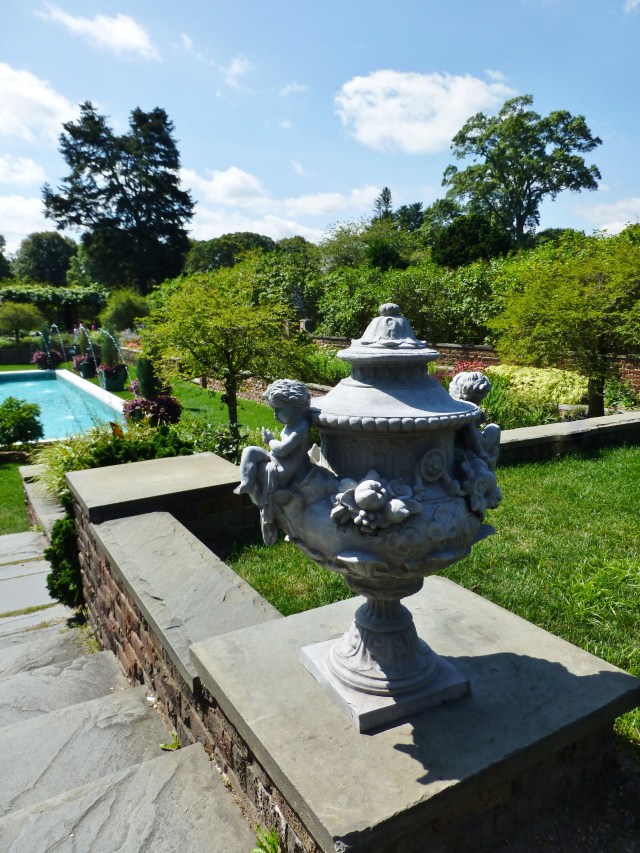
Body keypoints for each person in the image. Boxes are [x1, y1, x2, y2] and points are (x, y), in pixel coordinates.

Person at [235, 379, 311, 543]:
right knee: (250, 451)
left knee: (261, 471)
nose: (275, 414)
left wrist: (270, 440)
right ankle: (247, 482)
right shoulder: (291, 423)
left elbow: (283, 449)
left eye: (278, 409)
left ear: (296, 406)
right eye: (273, 409)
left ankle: (265, 508)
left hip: (286, 468)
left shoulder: (301, 427)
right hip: (276, 459)